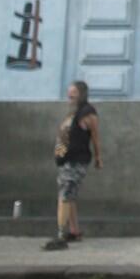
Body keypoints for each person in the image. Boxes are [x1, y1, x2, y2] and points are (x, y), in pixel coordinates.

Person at [44, 80, 102, 251]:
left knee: (66, 196)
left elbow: (95, 136)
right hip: (66, 160)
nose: (69, 95)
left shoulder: (87, 112)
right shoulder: (74, 112)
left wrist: (99, 157)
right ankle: (74, 231)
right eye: (69, 92)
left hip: (76, 160)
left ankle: (61, 235)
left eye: (73, 92)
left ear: (81, 94)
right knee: (69, 195)